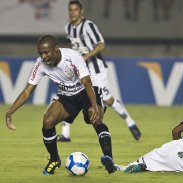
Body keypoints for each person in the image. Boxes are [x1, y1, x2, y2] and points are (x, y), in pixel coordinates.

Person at [5, 35, 116, 174]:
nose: (43, 56)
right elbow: (27, 91)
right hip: (66, 96)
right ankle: (54, 159)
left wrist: (93, 105)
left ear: (56, 49)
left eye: (46, 52)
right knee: (48, 121)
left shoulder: (72, 57)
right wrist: (10, 111)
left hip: (85, 91)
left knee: (94, 118)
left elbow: (86, 82)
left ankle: (109, 159)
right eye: (41, 53)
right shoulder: (40, 64)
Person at [58, 0, 141, 142]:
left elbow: (102, 45)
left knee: (108, 100)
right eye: (70, 10)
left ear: (81, 11)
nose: (73, 12)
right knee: (68, 94)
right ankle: (65, 134)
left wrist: (86, 56)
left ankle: (130, 121)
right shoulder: (68, 28)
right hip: (80, 71)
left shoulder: (88, 26)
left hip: (96, 69)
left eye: (75, 10)